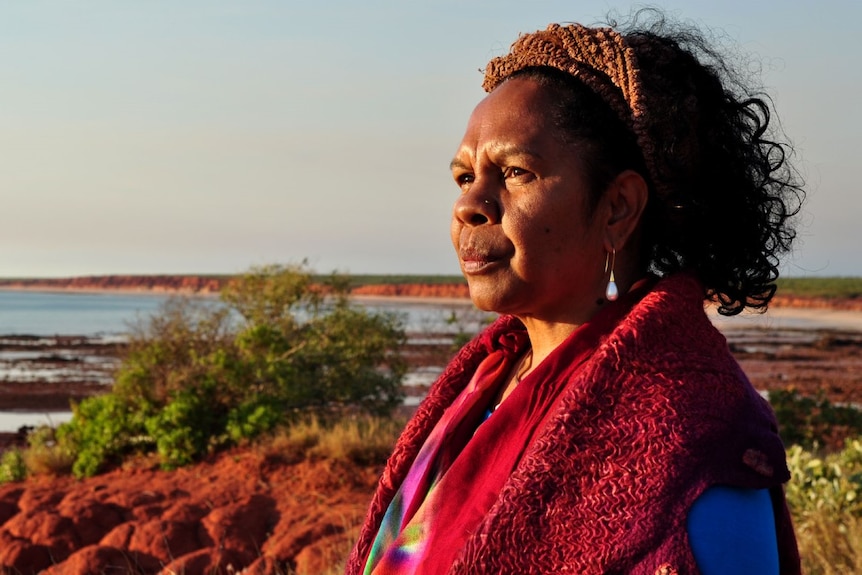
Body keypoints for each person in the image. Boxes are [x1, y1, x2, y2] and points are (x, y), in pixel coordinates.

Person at [347, 11, 803, 575]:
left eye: (515, 172)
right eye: (465, 177)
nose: (470, 204)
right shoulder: (484, 383)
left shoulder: (693, 434)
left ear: (617, 208)